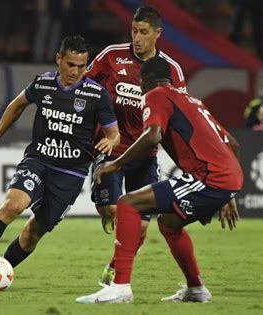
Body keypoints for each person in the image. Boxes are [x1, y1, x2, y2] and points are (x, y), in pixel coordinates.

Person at [76, 57, 243, 304]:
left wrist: (117, 163)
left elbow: (152, 136)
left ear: (143, 81)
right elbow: (235, 145)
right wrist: (229, 194)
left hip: (209, 178)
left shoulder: (156, 95)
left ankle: (120, 287)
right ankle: (196, 289)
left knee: (128, 204)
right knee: (169, 224)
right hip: (224, 178)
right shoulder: (193, 101)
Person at [0, 35, 120, 283]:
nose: (76, 71)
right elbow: (17, 104)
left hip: (71, 173)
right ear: (59, 59)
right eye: (70, 65)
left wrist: (110, 141)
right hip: (39, 160)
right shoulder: (42, 85)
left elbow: (114, 134)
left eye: (81, 66)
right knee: (13, 204)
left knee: (33, 233)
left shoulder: (96, 95)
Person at [84, 5, 186, 286]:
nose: (137, 38)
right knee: (111, 211)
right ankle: (107, 213)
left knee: (140, 224)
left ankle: (114, 269)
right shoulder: (111, 56)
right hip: (111, 147)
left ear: (157, 34)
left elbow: (180, 114)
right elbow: (84, 87)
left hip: (145, 152)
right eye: (134, 31)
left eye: (143, 32)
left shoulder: (171, 70)